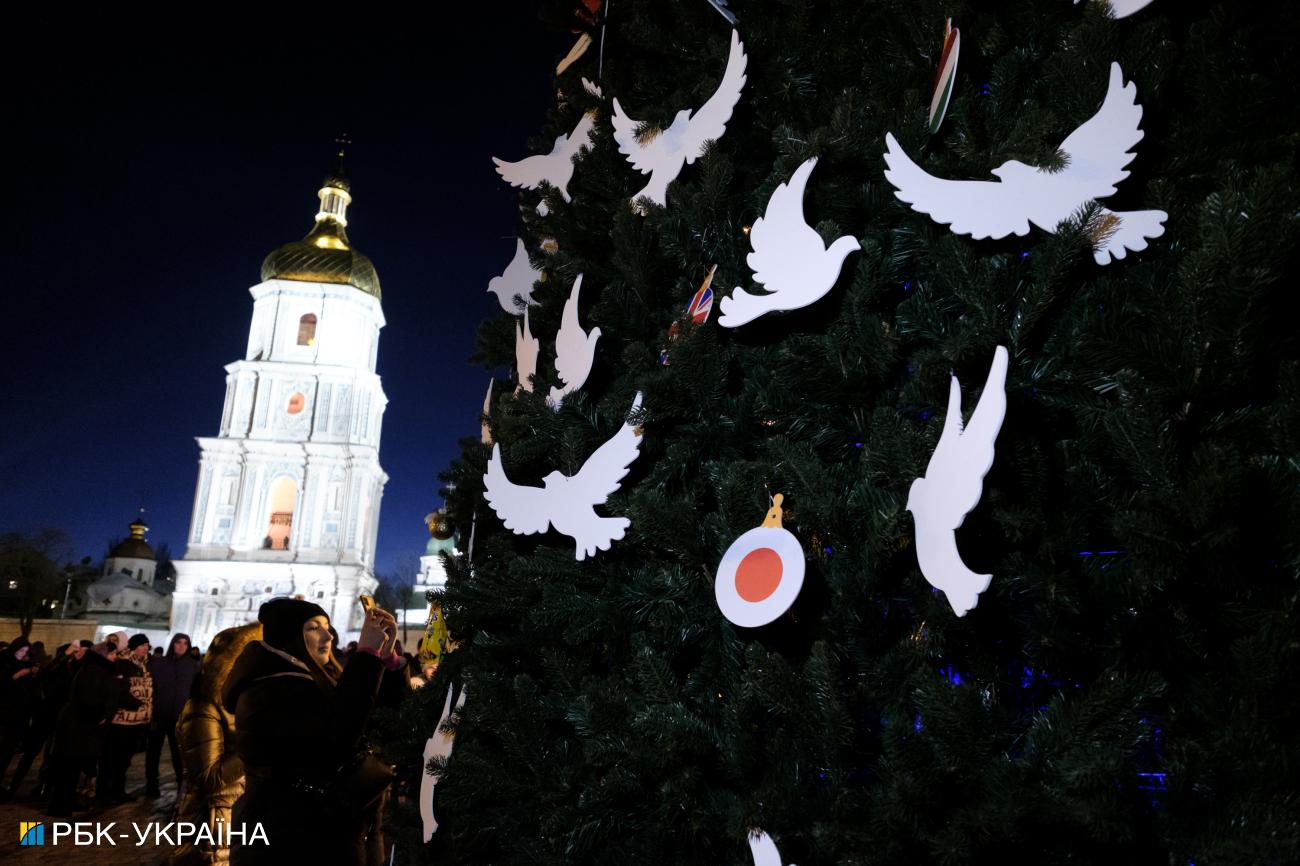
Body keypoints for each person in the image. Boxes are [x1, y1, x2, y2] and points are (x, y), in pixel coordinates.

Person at [223, 598, 402, 865]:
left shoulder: (319, 678)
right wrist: (366, 655)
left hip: (325, 831)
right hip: (286, 840)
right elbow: (335, 740)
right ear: (289, 636)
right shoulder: (269, 688)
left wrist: (388, 661)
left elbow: (376, 720)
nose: (329, 636)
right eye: (313, 628)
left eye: (327, 627)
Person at [170, 623, 261, 866]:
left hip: (243, 817)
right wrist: (260, 741)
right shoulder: (203, 707)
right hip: (214, 823)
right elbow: (210, 777)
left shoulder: (245, 704)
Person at [46, 638, 138, 816]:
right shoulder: (93, 670)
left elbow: (111, 693)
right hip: (77, 725)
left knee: (74, 766)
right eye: (112, 653)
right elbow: (87, 697)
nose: (115, 656)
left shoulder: (101, 670)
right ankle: (60, 806)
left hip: (84, 725)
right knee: (68, 767)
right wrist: (100, 715)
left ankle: (68, 801)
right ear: (103, 654)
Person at [97, 633, 152, 804]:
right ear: (133, 647)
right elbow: (118, 689)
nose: (145, 648)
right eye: (142, 645)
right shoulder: (122, 663)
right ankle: (103, 793)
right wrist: (134, 703)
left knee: (124, 759)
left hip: (138, 720)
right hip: (121, 719)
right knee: (111, 758)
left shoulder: (145, 665)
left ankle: (118, 791)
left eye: (147, 645)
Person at [148, 633, 199, 796]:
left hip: (179, 717)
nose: (181, 646)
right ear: (173, 644)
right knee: (153, 752)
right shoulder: (158, 664)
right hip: (158, 715)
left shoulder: (193, 666)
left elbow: (196, 691)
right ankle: (151, 786)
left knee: (179, 754)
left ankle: (181, 786)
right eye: (178, 642)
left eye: (185, 643)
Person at [0, 637, 38, 786]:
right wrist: (20, 674)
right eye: (21, 650)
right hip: (3, 712)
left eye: (25, 651)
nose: (22, 653)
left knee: (7, 750)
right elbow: (5, 682)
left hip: (17, 715)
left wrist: (31, 674)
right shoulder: (4, 661)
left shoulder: (26, 664)